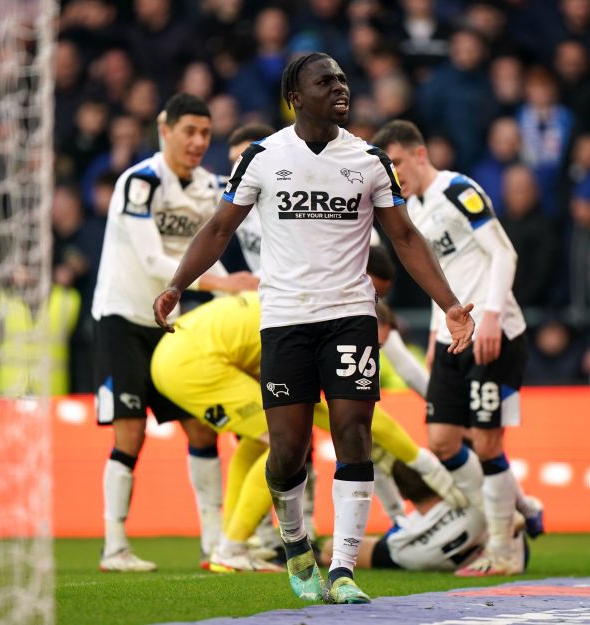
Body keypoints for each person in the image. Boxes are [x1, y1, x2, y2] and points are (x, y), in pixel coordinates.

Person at [153, 53, 474, 604]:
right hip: (284, 318)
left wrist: (449, 303)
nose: (340, 87)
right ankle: (297, 541)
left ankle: (344, 569)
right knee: (288, 452)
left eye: (343, 79)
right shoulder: (262, 156)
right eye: (325, 81)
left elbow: (406, 239)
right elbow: (219, 228)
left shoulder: (371, 159)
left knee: (353, 434)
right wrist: (178, 284)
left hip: (349, 315)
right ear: (296, 96)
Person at [150, 290, 464, 573]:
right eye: (373, 343)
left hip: (179, 353)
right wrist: (421, 461)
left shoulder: (304, 306)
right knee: (284, 441)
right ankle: (231, 547)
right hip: (194, 363)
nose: (369, 352)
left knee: (262, 439)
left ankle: (230, 544)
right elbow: (349, 419)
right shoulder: (319, 328)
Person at [91, 93, 259, 573]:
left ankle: (213, 543)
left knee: (201, 428)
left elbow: (213, 248)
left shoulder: (210, 186)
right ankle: (114, 547)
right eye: (189, 131)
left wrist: (236, 291)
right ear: (164, 130)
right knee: (129, 435)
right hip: (123, 319)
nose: (198, 142)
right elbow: (150, 262)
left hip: (174, 326)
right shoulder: (139, 182)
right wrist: (224, 283)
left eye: (205, 133)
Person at [371, 120, 541, 577]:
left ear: (420, 155)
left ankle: (504, 549)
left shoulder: (458, 190)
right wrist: (432, 338)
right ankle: (508, 515)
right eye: (387, 168)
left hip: (495, 333)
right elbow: (438, 282)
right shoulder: (413, 212)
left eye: (399, 163)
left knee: (487, 443)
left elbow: (504, 254)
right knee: (443, 442)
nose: (395, 174)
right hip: (452, 339)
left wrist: (490, 316)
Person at [319, 460, 530, 572]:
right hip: (511, 554)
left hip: (423, 552)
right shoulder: (475, 501)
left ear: (402, 493)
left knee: (330, 551)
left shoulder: (404, 544)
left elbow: (333, 547)